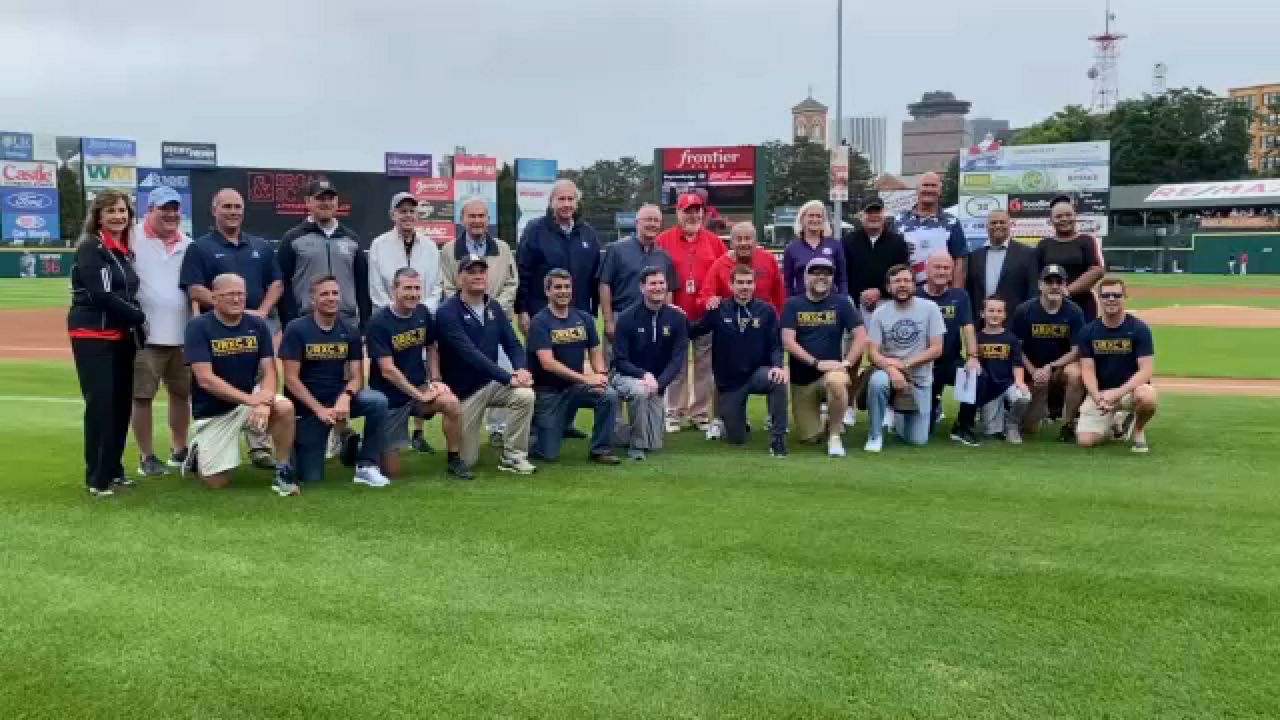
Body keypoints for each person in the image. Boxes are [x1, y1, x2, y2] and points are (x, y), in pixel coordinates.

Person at [180, 188, 283, 469]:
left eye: (237, 206)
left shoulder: (260, 246)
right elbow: (195, 288)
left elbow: (276, 282)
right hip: (219, 325)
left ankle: (260, 446)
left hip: (257, 323)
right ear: (214, 210)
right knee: (223, 377)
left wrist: (259, 313)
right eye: (226, 206)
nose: (233, 211)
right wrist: (226, 306)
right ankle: (205, 442)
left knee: (265, 375)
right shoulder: (200, 247)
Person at [184, 274, 298, 495]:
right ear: (214, 298)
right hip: (214, 411)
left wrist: (264, 402)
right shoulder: (198, 327)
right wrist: (253, 400)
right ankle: (198, 452)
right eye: (230, 294)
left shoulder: (257, 324)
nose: (237, 300)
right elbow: (206, 379)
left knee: (284, 407)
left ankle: (283, 469)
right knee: (217, 483)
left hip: (249, 399)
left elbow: (270, 370)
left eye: (241, 294)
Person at [68, 189, 148, 497]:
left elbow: (125, 291)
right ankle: (96, 477)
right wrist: (138, 316)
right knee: (100, 405)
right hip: (93, 336)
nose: (118, 216)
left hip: (120, 336)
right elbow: (101, 295)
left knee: (119, 406)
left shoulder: (123, 250)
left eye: (123, 211)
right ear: (98, 216)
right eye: (111, 211)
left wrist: (132, 319)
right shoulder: (92, 248)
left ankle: (113, 469)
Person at [281, 275, 391, 487]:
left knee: (377, 401)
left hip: (338, 399)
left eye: (334, 293)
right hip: (307, 408)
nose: (331, 298)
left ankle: (366, 465)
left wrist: (346, 397)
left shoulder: (349, 330)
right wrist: (318, 409)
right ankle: (328, 443)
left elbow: (357, 375)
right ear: (313, 299)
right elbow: (290, 379)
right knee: (311, 478)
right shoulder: (296, 329)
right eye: (324, 294)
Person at [435, 255, 537, 474]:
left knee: (525, 395)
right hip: (464, 393)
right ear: (459, 278)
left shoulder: (494, 307)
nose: (478, 276)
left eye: (481, 271)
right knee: (467, 460)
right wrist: (508, 378)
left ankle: (514, 456)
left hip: (490, 383)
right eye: (471, 272)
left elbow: (513, 344)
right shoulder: (447, 312)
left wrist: (521, 369)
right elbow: (470, 354)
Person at [365, 268, 470, 480]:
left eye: (416, 288)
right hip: (390, 398)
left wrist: (436, 380)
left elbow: (431, 346)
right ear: (394, 290)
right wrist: (419, 394)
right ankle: (366, 446)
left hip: (418, 390)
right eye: (407, 288)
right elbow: (387, 370)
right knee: (392, 473)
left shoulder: (422, 313)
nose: (413, 294)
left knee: (451, 403)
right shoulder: (379, 322)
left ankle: (454, 459)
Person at [368, 191, 444, 454]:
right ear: (393, 215)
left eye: (412, 211)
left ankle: (419, 432)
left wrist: (420, 311)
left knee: (420, 369)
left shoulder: (430, 246)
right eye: (402, 211)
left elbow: (435, 286)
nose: (408, 215)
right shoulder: (379, 245)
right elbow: (376, 288)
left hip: (422, 316)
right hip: (390, 319)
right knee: (394, 371)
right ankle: (390, 427)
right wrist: (393, 314)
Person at [440, 197, 520, 447]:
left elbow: (511, 283)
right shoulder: (449, 249)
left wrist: (490, 306)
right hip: (463, 320)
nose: (477, 221)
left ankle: (498, 429)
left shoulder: (503, 248)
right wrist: (471, 304)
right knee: (470, 371)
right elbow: (447, 284)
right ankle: (465, 423)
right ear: (462, 219)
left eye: (481, 216)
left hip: (497, 319)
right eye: (471, 216)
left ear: (488, 219)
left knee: (503, 372)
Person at [690, 265, 789, 457]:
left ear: (755, 285)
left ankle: (778, 438)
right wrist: (674, 315)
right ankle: (737, 419)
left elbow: (775, 345)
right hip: (731, 383)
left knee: (778, 380)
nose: (745, 287)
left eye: (749, 282)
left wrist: (777, 366)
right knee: (736, 439)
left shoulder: (766, 311)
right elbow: (695, 330)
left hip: (757, 374)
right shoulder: (719, 309)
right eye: (740, 283)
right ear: (731, 285)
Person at [526, 270, 622, 465]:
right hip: (548, 393)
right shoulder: (540, 322)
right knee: (548, 454)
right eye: (558, 287)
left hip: (574, 388)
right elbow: (547, 363)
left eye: (567, 287)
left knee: (608, 395)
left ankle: (601, 449)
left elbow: (595, 351)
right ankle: (533, 434)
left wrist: (601, 374)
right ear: (548, 291)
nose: (563, 291)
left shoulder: (584, 318)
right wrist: (586, 379)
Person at [130, 186, 193, 477]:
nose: (170, 214)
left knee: (181, 394)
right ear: (149, 210)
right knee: (142, 395)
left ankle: (179, 449)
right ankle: (146, 456)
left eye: (174, 208)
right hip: (145, 335)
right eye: (163, 208)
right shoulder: (132, 237)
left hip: (182, 335)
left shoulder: (188, 244)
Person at [781, 257, 866, 457]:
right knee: (809, 438)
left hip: (831, 373)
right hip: (802, 379)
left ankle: (835, 435)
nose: (821, 277)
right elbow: (788, 341)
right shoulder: (793, 304)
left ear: (832, 278)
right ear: (805, 277)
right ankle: (827, 420)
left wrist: (846, 363)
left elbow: (861, 336)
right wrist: (816, 363)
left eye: (827, 273)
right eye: (816, 273)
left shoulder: (841, 303)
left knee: (837, 382)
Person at [657, 192, 727, 433]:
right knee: (675, 365)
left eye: (697, 210)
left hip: (705, 314)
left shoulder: (714, 241)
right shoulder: (664, 240)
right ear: (678, 213)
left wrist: (718, 297)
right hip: (674, 313)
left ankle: (699, 413)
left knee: (704, 365)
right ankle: (673, 412)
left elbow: (723, 274)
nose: (693, 215)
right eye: (688, 211)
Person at [863, 265, 946, 452]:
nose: (902, 285)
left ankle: (896, 414)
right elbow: (873, 353)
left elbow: (936, 349)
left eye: (906, 281)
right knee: (877, 382)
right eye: (897, 281)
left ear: (914, 284)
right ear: (888, 287)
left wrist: (905, 364)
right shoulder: (880, 313)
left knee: (917, 440)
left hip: (919, 380)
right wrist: (893, 370)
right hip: (888, 373)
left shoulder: (930, 308)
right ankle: (875, 436)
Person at [610, 267, 689, 460]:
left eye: (661, 283)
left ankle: (614, 433)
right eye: (652, 283)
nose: (658, 287)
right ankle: (636, 448)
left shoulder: (677, 318)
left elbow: (677, 360)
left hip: (656, 384)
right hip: (625, 376)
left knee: (655, 443)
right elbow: (620, 360)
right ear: (642, 287)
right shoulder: (627, 317)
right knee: (639, 391)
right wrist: (644, 375)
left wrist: (659, 384)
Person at [1076, 277, 1158, 453]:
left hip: (1130, 392)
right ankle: (1117, 423)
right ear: (1099, 298)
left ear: (1124, 297)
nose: (1111, 299)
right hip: (1102, 394)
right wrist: (1098, 397)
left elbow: (1146, 370)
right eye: (1106, 295)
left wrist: (1117, 393)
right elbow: (1087, 370)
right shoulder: (1088, 331)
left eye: (1116, 295)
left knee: (1148, 396)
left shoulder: (1139, 329)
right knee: (1085, 441)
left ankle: (1138, 430)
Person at [278, 179, 370, 328]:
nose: (326, 203)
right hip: (305, 322)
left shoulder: (352, 239)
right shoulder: (292, 239)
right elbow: (283, 284)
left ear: (337, 202)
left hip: (346, 322)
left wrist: (365, 324)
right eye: (320, 198)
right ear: (308, 201)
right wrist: (289, 322)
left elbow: (362, 285)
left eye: (330, 198)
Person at [1011, 264, 1087, 440]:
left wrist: (1051, 366)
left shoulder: (1074, 312)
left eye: (1058, 282)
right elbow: (1017, 348)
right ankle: (1038, 411)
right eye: (1049, 281)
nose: (1054, 286)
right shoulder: (1025, 310)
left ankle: (1068, 424)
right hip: (1032, 370)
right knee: (1030, 429)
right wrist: (1033, 371)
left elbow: (1076, 351)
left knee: (1076, 375)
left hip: (1060, 368)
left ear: (1064, 285)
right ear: (1040, 285)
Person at [515, 179, 601, 334]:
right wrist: (522, 310)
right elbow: (523, 271)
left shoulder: (588, 234)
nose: (566, 204)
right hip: (541, 315)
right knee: (542, 358)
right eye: (561, 199)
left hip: (578, 314)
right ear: (551, 202)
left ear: (577, 202)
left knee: (575, 358)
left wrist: (593, 311)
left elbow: (595, 276)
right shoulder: (534, 230)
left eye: (570, 199)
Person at [948, 296, 1031, 446]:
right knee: (992, 432)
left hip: (1006, 384)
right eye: (991, 310)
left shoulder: (1011, 339)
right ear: (982, 313)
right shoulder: (976, 338)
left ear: (1005, 315)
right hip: (988, 390)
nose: (995, 314)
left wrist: (1019, 381)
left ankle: (1012, 424)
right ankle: (987, 418)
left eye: (999, 311)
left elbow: (1017, 364)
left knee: (1023, 396)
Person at [598, 203, 676, 359]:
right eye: (648, 219)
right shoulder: (616, 249)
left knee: (649, 370)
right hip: (622, 317)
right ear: (637, 223)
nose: (652, 224)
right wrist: (608, 321)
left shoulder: (664, 256)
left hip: (652, 320)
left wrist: (665, 320)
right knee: (615, 369)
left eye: (656, 220)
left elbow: (668, 291)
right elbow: (604, 284)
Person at [916, 252, 980, 434]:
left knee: (975, 376)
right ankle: (919, 413)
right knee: (922, 432)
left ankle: (963, 426)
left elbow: (968, 327)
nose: (942, 272)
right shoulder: (916, 295)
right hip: (922, 365)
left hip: (951, 361)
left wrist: (972, 357)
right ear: (927, 270)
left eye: (946, 268)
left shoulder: (960, 296)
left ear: (952, 272)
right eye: (937, 267)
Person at [895, 171, 968, 288]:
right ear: (917, 190)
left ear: (940, 191)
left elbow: (959, 260)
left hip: (942, 292)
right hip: (907, 291)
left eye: (933, 186)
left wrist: (956, 294)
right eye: (925, 185)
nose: (929, 189)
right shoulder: (898, 220)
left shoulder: (952, 222)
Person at [1036, 196, 1103, 319]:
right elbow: (1036, 275)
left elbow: (1097, 270)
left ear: (1075, 216)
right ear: (1051, 220)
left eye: (1068, 215)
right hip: (1050, 306)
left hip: (1082, 305)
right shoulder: (1043, 244)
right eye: (1059, 216)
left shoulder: (1087, 240)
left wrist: (1066, 291)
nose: (1064, 219)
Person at [699, 221, 785, 315]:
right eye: (739, 239)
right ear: (731, 244)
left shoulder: (768, 260)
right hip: (732, 323)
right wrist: (710, 301)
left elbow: (779, 295)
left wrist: (779, 320)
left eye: (747, 238)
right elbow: (705, 296)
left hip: (763, 321)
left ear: (755, 242)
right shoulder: (720, 265)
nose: (743, 243)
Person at [965, 209, 1038, 317]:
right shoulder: (974, 256)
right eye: (993, 223)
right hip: (981, 324)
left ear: (1010, 225)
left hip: (1015, 322)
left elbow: (1033, 290)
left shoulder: (1028, 254)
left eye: (1002, 222)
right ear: (986, 226)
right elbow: (970, 290)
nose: (998, 225)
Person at [843, 196, 909, 315]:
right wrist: (860, 295)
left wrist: (880, 291)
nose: (874, 216)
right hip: (856, 306)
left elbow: (902, 273)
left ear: (884, 214)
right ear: (860, 215)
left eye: (877, 212)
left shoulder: (897, 242)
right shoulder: (848, 241)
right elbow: (843, 275)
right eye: (869, 212)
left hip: (889, 304)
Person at [782, 200, 848, 297]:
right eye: (811, 215)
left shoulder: (835, 245)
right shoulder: (791, 248)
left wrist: (843, 299)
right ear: (802, 219)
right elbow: (788, 284)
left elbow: (842, 279)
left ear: (823, 220)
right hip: (802, 303)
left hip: (830, 302)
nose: (815, 219)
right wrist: (789, 304)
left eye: (818, 216)